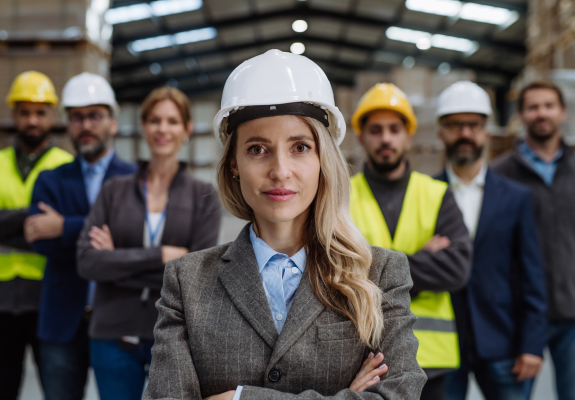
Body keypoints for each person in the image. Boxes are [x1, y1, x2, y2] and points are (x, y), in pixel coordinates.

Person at [143, 49, 427, 400]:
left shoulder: (380, 274)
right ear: (234, 163)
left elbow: (397, 396)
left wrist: (240, 399)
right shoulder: (186, 283)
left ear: (323, 159)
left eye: (300, 147)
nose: (280, 170)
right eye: (258, 149)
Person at [77, 85, 221, 400]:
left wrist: (116, 260)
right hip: (111, 333)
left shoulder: (204, 197)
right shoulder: (113, 191)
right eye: (155, 120)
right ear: (143, 127)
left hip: (174, 336)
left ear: (187, 129)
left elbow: (196, 277)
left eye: (172, 121)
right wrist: (161, 256)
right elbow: (88, 262)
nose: (162, 129)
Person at [348, 83, 472, 400]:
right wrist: (420, 257)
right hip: (363, 361)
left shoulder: (436, 194)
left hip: (430, 359)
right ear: (361, 138)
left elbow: (456, 269)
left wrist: (371, 268)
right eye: (376, 130)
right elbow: (336, 272)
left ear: (408, 136)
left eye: (394, 129)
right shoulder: (341, 197)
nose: (386, 138)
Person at [25, 72, 137, 400]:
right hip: (62, 322)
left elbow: (134, 238)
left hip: (118, 321)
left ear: (112, 123)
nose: (86, 125)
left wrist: (65, 227)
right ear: (68, 124)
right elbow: (40, 239)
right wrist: (101, 234)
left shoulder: (135, 179)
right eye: (77, 117)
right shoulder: (50, 180)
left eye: (95, 116)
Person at [434, 81, 547, 400]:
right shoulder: (426, 194)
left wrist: (532, 344)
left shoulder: (515, 197)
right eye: (455, 125)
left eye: (473, 125)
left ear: (486, 132)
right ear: (441, 132)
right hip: (444, 345)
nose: (465, 133)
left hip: (503, 342)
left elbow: (532, 275)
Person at [0, 71, 74, 400]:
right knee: (1, 390)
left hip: (48, 300)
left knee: (57, 390)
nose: (32, 119)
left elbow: (69, 236)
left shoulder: (67, 167)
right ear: (13, 115)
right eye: (24, 111)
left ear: (52, 116)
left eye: (40, 112)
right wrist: (33, 218)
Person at [494, 81, 575, 400]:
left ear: (563, 112)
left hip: (572, 312)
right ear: (521, 115)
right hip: (520, 316)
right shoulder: (500, 176)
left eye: (548, 106)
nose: (541, 113)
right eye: (533, 107)